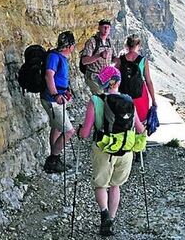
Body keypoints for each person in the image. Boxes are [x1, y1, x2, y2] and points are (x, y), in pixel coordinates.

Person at [78, 66, 145, 236]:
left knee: (101, 185)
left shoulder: (96, 100)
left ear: (103, 82)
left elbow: (85, 133)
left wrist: (80, 132)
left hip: (104, 148)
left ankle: (104, 215)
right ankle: (112, 220)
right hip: (125, 150)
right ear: (118, 81)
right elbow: (139, 128)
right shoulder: (129, 100)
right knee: (116, 185)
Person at [41, 31, 77, 173]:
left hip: (56, 98)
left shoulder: (59, 56)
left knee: (56, 128)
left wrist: (64, 92)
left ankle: (54, 156)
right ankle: (53, 160)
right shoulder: (54, 57)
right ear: (71, 46)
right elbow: (49, 76)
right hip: (52, 100)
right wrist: (55, 94)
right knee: (69, 131)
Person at [115, 34, 157, 125]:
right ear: (138, 45)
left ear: (127, 45)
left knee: (125, 120)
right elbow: (148, 81)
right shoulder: (143, 61)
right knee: (140, 122)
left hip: (123, 95)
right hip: (140, 95)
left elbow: (115, 78)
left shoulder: (120, 60)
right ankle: (138, 136)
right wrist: (153, 99)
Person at [80, 19, 114, 95]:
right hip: (93, 77)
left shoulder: (110, 42)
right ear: (99, 28)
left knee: (110, 97)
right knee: (100, 98)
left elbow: (114, 58)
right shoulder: (92, 42)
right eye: (104, 27)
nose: (106, 29)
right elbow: (84, 61)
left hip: (106, 76)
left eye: (108, 27)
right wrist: (99, 55)